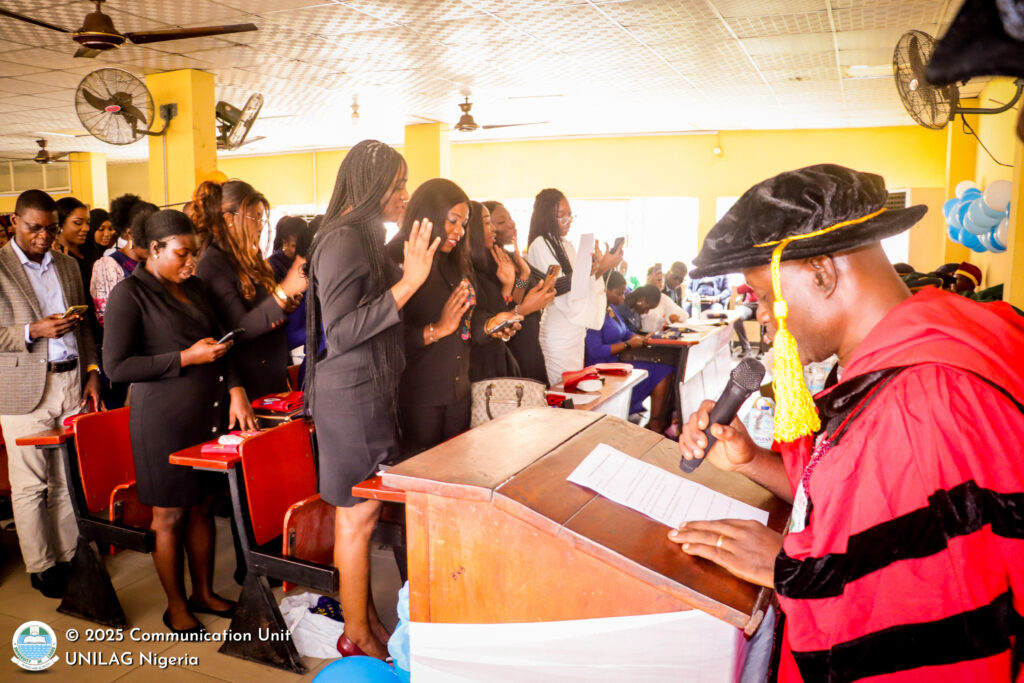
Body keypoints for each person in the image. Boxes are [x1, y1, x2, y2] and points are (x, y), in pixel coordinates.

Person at [670, 164, 1024, 682]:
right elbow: (862, 510)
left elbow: (928, 619)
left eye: (765, 296)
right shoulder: (916, 347)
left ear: (821, 273)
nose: (762, 316)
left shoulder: (920, 403)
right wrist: (751, 461)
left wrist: (788, 570)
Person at [303, 140, 435, 660]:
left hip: (367, 390)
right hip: (350, 395)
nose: (403, 194)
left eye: (404, 184)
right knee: (356, 516)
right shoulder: (341, 239)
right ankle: (355, 632)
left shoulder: (362, 236)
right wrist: (409, 284)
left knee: (363, 512)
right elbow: (340, 332)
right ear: (370, 185)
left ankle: (365, 621)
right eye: (397, 185)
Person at [103, 209, 257, 634]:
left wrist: (236, 388)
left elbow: (226, 343)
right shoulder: (130, 294)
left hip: (207, 414)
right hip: (163, 422)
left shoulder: (196, 288)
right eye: (182, 253)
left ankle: (203, 592)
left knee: (203, 506)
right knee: (169, 516)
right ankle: (175, 605)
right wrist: (186, 357)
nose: (191, 262)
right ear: (154, 249)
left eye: (195, 253)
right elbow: (117, 366)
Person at [0, 189, 102, 599]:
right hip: (22, 389)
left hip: (71, 380)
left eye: (51, 228)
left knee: (64, 478)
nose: (44, 236)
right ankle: (41, 566)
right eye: (34, 228)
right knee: (29, 484)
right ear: (14, 222)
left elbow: (85, 326)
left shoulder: (68, 265)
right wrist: (32, 331)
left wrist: (92, 371)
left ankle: (68, 554)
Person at [387, 180, 520, 451]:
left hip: (459, 391)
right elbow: (385, 336)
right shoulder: (396, 259)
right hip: (419, 397)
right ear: (429, 213)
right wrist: (436, 329)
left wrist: (490, 325)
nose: (459, 231)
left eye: (464, 223)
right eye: (452, 221)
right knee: (423, 470)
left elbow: (466, 321)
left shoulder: (455, 262)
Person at [195, 180, 306, 400]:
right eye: (254, 217)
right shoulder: (213, 264)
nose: (260, 226)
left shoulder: (250, 258)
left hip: (271, 374)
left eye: (261, 218)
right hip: (245, 384)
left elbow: (261, 311)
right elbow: (239, 328)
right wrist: (282, 293)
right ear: (229, 218)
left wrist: (285, 304)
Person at [526, 188, 621, 385]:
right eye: (561, 216)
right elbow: (558, 288)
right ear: (545, 216)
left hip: (574, 330)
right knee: (562, 390)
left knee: (575, 388)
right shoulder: (540, 244)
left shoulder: (566, 245)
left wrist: (595, 268)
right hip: (559, 330)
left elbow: (579, 285)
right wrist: (599, 270)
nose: (567, 221)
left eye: (570, 216)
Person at [467, 201, 555, 382]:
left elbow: (506, 304)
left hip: (518, 337)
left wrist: (522, 276)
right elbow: (494, 316)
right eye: (490, 222)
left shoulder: (504, 256)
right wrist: (524, 308)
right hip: (496, 351)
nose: (494, 228)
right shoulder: (472, 269)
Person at [585, 271, 673, 431]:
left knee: (665, 368)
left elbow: (625, 332)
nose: (623, 297)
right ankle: (655, 422)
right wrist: (627, 345)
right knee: (661, 371)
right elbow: (595, 351)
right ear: (605, 290)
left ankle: (657, 420)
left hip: (619, 360)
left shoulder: (611, 309)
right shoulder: (594, 314)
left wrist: (642, 338)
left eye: (623, 293)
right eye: (619, 293)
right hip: (603, 366)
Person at [91, 202, 156, 327]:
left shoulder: (155, 261)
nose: (154, 243)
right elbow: (106, 317)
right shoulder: (108, 265)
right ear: (131, 234)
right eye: (148, 237)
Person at [54, 196, 100, 308]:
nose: (86, 228)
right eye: (78, 223)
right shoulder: (54, 257)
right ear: (60, 224)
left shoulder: (91, 251)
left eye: (87, 223)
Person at [268, 215, 306, 282]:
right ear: (285, 243)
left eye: (303, 245)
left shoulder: (306, 260)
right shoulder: (274, 264)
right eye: (295, 246)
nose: (300, 250)